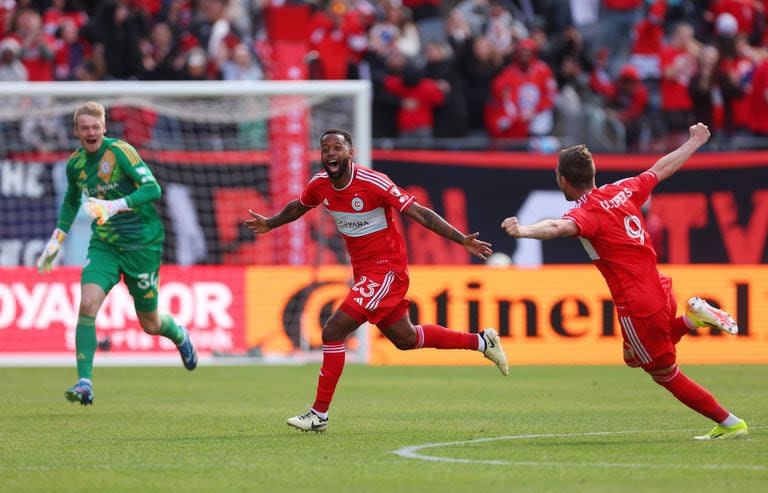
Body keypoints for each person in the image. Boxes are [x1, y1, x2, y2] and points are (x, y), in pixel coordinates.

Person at [245, 129, 508, 432]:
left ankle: (319, 414)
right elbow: (299, 206)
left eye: (337, 148)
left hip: (387, 269)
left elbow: (420, 213)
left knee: (332, 331)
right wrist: (270, 222)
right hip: (364, 271)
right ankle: (482, 341)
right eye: (325, 148)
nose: (330, 153)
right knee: (405, 339)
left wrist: (462, 239)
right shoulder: (319, 185)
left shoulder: (374, 182)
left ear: (350, 153)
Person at [501, 123, 748, 441]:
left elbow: (556, 227)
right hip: (659, 288)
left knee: (663, 372)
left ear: (563, 180)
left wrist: (523, 231)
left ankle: (730, 423)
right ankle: (691, 318)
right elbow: (661, 168)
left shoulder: (586, 214)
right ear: (594, 172)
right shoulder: (622, 189)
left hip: (637, 304)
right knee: (633, 357)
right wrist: (694, 142)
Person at [36, 101, 198, 406]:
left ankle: (179, 335)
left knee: (149, 323)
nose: (91, 132)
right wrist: (55, 242)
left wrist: (112, 205)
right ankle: (85, 382)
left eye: (95, 127)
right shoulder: (75, 165)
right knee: (87, 303)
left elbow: (153, 189)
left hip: (142, 246)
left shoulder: (120, 151)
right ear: (77, 132)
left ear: (104, 127)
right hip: (105, 245)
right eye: (85, 128)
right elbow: (71, 203)